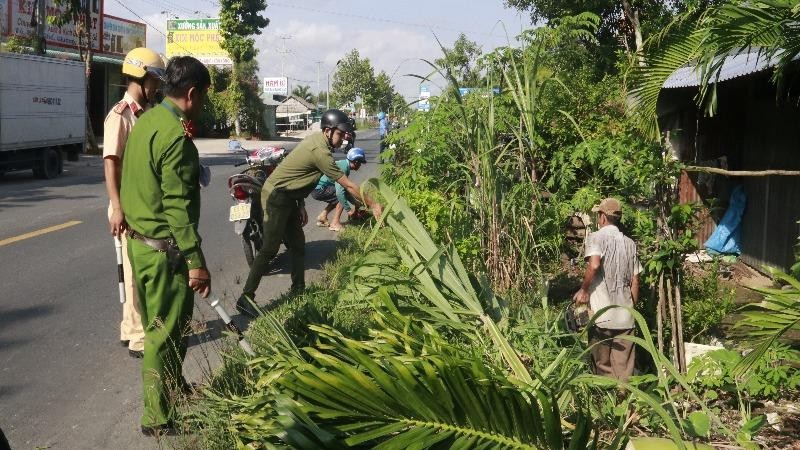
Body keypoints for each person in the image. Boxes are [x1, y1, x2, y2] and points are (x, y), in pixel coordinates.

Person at [120, 56, 212, 436]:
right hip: (164, 253)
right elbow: (177, 205)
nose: (203, 105)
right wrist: (196, 259)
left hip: (140, 245)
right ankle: (156, 419)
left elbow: (132, 178)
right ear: (191, 94)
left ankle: (172, 392)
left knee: (171, 329)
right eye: (203, 98)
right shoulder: (174, 134)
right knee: (162, 333)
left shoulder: (148, 120)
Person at [236, 109, 383, 318]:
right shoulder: (320, 151)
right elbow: (348, 185)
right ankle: (245, 298)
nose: (342, 139)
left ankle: (298, 289)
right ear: (327, 131)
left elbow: (301, 176)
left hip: (290, 196)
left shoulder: (321, 143)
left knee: (297, 244)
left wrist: (300, 204)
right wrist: (373, 204)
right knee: (269, 249)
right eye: (340, 134)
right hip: (277, 196)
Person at [103, 47, 166, 359]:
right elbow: (111, 162)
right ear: (142, 77)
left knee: (132, 272)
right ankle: (140, 338)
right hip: (127, 206)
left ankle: (130, 330)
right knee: (134, 273)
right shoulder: (120, 116)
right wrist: (117, 207)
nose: (157, 87)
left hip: (140, 203)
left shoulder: (145, 114)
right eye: (155, 80)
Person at [573, 198, 641, 381]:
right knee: (623, 371)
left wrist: (584, 290)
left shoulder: (596, 237)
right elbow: (635, 281)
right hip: (626, 317)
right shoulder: (630, 243)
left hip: (601, 316)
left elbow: (594, 265)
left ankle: (606, 405)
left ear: (602, 217)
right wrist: (631, 309)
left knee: (602, 367)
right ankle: (625, 406)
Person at [312, 147, 367, 231]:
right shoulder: (344, 168)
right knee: (340, 196)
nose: (360, 165)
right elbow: (340, 193)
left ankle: (323, 216)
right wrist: (349, 210)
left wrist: (355, 202)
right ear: (356, 162)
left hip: (317, 188)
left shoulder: (344, 164)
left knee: (339, 194)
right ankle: (335, 223)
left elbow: (345, 188)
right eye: (360, 163)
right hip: (319, 189)